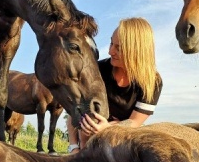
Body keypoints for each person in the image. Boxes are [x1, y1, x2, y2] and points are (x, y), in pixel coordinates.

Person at [67, 17, 163, 153]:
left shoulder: (153, 83)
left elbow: (135, 123)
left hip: (120, 142)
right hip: (86, 142)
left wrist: (108, 128)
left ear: (137, 51)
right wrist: (74, 147)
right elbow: (74, 112)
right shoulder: (96, 71)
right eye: (111, 43)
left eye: (119, 48)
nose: (110, 51)